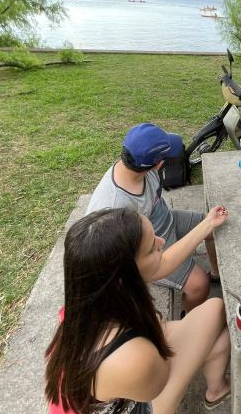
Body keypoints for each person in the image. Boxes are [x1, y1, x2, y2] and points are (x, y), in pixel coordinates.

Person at [45, 206, 231, 414]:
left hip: (90, 402)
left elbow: (162, 264)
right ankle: (217, 389)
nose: (162, 242)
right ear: (126, 275)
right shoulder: (132, 357)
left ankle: (217, 388)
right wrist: (162, 329)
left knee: (216, 336)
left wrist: (207, 224)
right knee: (215, 309)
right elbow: (157, 381)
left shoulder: (90, 299)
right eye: (153, 247)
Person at [87, 123, 219, 313]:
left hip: (165, 220)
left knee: (216, 229)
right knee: (199, 284)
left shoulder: (140, 166)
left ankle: (216, 274)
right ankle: (188, 319)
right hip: (148, 248)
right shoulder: (113, 208)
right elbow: (117, 260)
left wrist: (207, 224)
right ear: (158, 163)